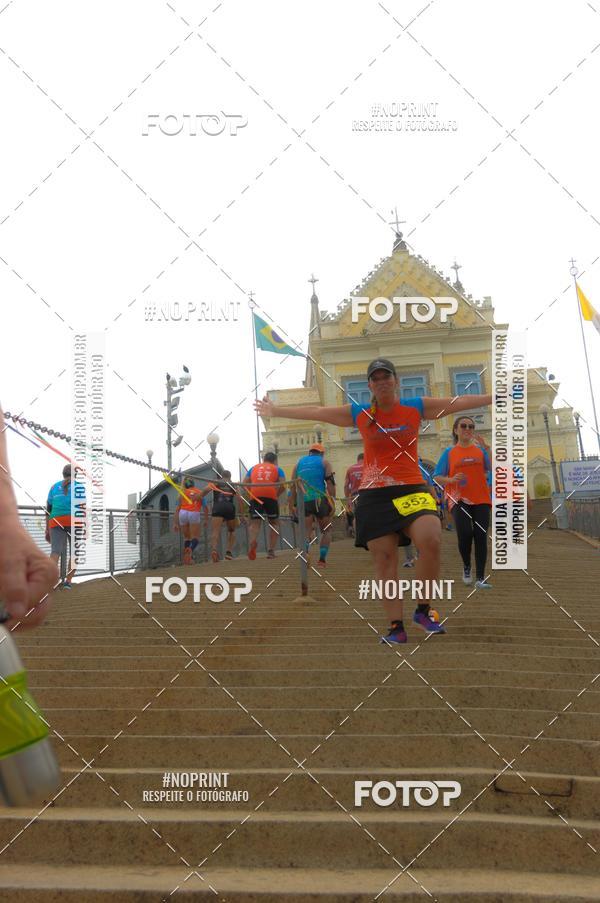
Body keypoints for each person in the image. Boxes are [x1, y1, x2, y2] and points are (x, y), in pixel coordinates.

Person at [255, 358, 492, 644]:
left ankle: (423, 609)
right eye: (375, 378)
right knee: (385, 559)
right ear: (370, 384)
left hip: (412, 488)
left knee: (430, 538)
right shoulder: (361, 413)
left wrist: (493, 396)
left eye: (386, 376)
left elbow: (456, 401)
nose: (382, 382)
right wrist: (275, 410)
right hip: (374, 494)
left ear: (395, 380)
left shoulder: (416, 407)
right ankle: (395, 626)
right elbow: (318, 411)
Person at [0, 407, 57, 627]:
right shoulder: (56, 489)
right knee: (58, 551)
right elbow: (49, 506)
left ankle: (67, 580)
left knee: (60, 551)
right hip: (58, 523)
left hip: (63, 524)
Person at [434, 416, 493, 589]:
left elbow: (494, 467)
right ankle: (467, 566)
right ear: (455, 430)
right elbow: (436, 476)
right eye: (464, 425)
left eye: (471, 426)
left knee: (481, 536)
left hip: (481, 498)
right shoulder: (449, 452)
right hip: (458, 498)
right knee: (465, 533)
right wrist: (451, 479)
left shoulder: (481, 451)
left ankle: (480, 577)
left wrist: (487, 447)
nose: (468, 428)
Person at [291, 443, 336, 567]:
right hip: (320, 500)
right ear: (321, 453)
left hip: (304, 501)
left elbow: (292, 486)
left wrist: (293, 505)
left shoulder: (298, 464)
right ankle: (322, 559)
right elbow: (330, 482)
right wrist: (333, 500)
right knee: (326, 530)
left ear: (309, 452)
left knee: (306, 532)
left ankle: (305, 553)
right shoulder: (324, 463)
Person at [45, 463, 82, 589]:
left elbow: (48, 509)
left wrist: (47, 528)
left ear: (63, 474)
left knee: (55, 552)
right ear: (75, 475)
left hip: (55, 521)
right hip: (74, 522)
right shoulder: (79, 487)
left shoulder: (54, 487)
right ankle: (68, 582)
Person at [243, 452, 285, 560]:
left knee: (255, 523)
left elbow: (244, 483)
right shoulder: (277, 469)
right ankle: (271, 551)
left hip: (255, 494)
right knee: (274, 523)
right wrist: (276, 494)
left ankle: (252, 542)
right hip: (270, 494)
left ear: (264, 459)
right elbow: (283, 485)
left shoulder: (253, 468)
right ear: (274, 460)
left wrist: (251, 494)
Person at [174, 477, 208, 565]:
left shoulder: (182, 493)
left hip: (183, 513)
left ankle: (189, 558)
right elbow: (205, 507)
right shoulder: (199, 492)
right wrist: (206, 519)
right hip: (194, 512)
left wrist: (175, 523)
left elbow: (177, 510)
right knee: (195, 538)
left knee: (187, 538)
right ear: (193, 483)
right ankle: (190, 551)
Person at [209, 470, 239, 563]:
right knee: (232, 531)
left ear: (221, 476)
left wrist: (199, 496)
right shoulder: (233, 484)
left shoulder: (216, 482)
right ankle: (228, 552)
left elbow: (206, 490)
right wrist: (241, 514)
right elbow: (239, 499)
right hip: (229, 507)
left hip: (218, 506)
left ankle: (214, 550)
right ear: (230, 477)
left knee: (215, 531)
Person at [343, 453, 364, 537]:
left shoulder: (350, 469)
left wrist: (348, 498)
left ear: (357, 459)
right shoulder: (368, 466)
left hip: (355, 495)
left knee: (356, 516)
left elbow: (346, 486)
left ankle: (357, 536)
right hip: (367, 493)